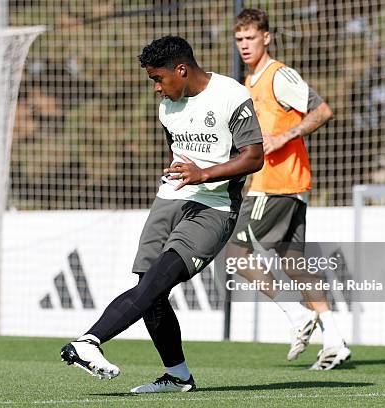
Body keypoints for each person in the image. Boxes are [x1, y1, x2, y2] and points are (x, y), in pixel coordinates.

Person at [60, 35, 264, 392]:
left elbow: (254, 157)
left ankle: (90, 341)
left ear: (181, 70)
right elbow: (177, 154)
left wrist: (204, 174)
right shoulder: (166, 108)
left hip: (214, 206)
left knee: (157, 280)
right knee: (148, 286)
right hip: (169, 199)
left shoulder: (231, 95)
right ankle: (178, 376)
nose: (156, 87)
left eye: (159, 78)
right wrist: (187, 176)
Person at [227, 9, 351, 370]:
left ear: (266, 37)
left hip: (275, 185)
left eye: (250, 37)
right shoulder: (249, 82)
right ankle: (335, 340)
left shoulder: (278, 76)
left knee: (235, 253)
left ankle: (297, 315)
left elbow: (322, 111)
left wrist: (283, 137)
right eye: (239, 39)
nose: (244, 45)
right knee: (295, 266)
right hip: (288, 185)